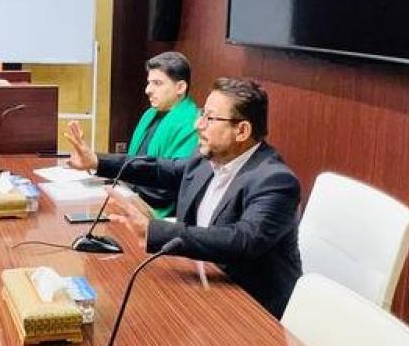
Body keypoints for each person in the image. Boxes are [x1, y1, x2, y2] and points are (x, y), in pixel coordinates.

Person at [64, 76, 304, 317]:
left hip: (251, 310)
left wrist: (154, 230)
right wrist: (97, 161)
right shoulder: (206, 158)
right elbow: (161, 169)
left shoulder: (275, 181)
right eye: (202, 114)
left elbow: (242, 240)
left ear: (242, 131)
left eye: (210, 118)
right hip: (203, 286)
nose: (198, 125)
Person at [114, 51, 204, 216]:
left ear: (180, 87)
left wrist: (128, 193)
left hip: (159, 215)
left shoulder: (192, 124)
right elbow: (132, 163)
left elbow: (169, 186)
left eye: (157, 83)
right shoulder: (150, 114)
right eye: (149, 83)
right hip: (130, 199)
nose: (148, 90)